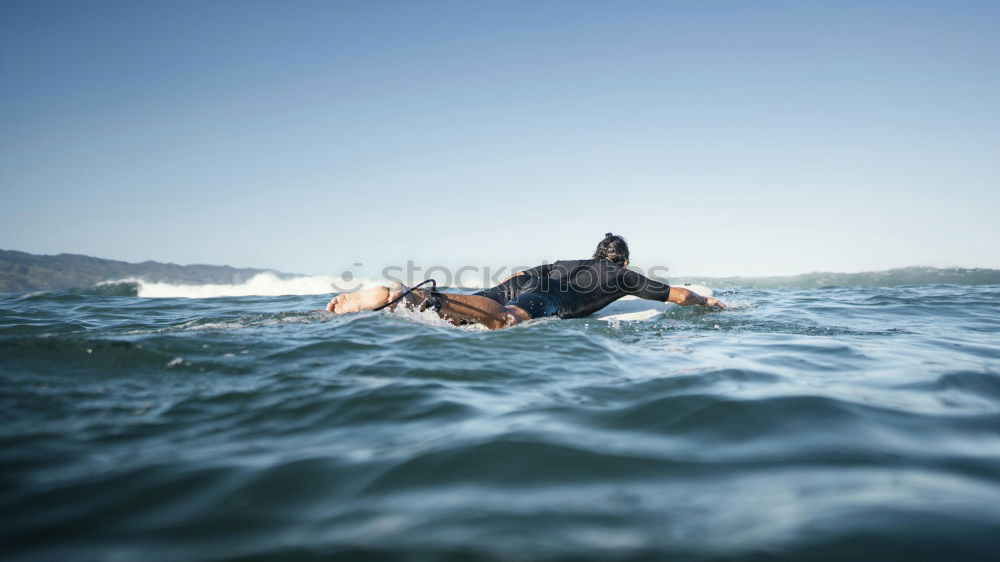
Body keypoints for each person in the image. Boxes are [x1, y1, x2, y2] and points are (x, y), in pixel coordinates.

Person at [326, 233, 725, 330]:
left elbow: (520, 275)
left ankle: (401, 299)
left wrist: (509, 286)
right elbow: (677, 295)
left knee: (467, 312)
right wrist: (709, 303)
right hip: (551, 297)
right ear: (623, 259)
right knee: (504, 319)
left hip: (528, 281)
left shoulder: (566, 260)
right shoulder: (622, 276)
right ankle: (420, 296)